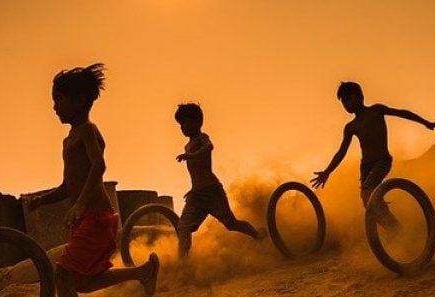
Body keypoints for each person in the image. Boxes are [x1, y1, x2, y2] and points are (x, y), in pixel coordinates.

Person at [28, 63, 158, 296]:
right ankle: (143, 273)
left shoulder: (88, 130)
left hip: (97, 219)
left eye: (59, 99)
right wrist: (42, 200)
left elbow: (99, 166)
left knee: (63, 274)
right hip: (85, 220)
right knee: (83, 282)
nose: (54, 106)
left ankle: (143, 273)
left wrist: (80, 204)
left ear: (79, 100)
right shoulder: (68, 141)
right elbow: (68, 187)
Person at [311, 82, 435, 229]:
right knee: (367, 200)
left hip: (382, 161)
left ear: (359, 97)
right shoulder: (351, 127)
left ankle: (395, 230)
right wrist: (327, 171)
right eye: (343, 102)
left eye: (348, 99)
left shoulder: (376, 111)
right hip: (365, 166)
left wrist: (426, 122)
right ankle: (394, 229)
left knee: (369, 193)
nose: (346, 104)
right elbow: (341, 151)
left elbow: (402, 113)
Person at [174, 103, 266, 258]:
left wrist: (191, 155)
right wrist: (192, 189)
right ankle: (182, 263)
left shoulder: (202, 138)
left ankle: (259, 235)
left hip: (212, 191)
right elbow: (196, 172)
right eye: (180, 124)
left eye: (185, 122)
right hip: (196, 195)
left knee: (231, 224)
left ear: (197, 122)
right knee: (183, 227)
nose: (182, 127)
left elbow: (209, 147)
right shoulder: (187, 145)